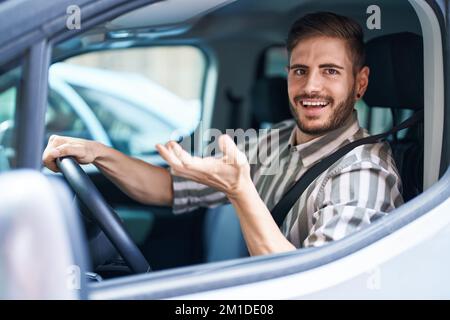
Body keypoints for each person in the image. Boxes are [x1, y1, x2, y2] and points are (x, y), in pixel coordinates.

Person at [43, 12, 403, 256]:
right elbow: (164, 187)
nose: (310, 86)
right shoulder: (277, 140)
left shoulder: (364, 173)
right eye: (299, 70)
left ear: (360, 83)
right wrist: (97, 152)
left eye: (330, 71)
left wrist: (239, 190)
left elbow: (314, 288)